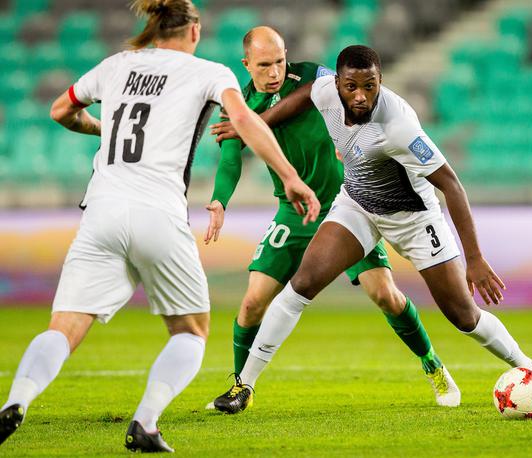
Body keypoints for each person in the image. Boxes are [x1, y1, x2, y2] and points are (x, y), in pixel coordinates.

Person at [0, 1, 319, 453]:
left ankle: (17, 400)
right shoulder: (210, 72)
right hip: (158, 211)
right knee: (191, 331)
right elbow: (244, 120)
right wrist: (290, 177)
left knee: (64, 326)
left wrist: (103, 131)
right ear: (194, 31)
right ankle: (145, 423)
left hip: (101, 210)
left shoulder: (115, 65)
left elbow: (59, 111)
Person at [213, 45, 532, 414]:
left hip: (414, 219)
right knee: (301, 285)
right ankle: (245, 387)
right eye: (351, 86)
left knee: (463, 316)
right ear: (337, 83)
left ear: (381, 81)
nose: (361, 95)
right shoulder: (324, 92)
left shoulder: (398, 126)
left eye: (370, 85)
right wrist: (255, 123)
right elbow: (301, 96)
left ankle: (530, 368)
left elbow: (453, 186)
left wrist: (474, 259)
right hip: (358, 206)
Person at [203, 27, 459, 413]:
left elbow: (353, 102)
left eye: (279, 61)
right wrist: (220, 200)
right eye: (264, 65)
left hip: (346, 206)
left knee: (385, 295)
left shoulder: (315, 76)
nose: (274, 71)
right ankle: (241, 388)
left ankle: (432, 364)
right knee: (253, 301)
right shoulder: (239, 104)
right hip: (293, 210)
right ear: (247, 65)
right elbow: (231, 157)